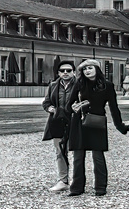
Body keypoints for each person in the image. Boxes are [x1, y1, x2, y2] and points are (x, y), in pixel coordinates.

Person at [67, 59, 129, 197]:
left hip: (97, 122)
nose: (87, 71)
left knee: (98, 157)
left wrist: (120, 126)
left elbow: (114, 108)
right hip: (79, 122)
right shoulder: (79, 84)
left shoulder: (107, 86)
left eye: (90, 68)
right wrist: (74, 107)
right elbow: (69, 105)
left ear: (97, 69)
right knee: (78, 157)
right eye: (84, 69)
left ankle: (100, 187)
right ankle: (77, 187)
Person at [42, 60, 78, 193]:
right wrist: (50, 108)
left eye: (68, 70)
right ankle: (63, 180)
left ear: (73, 72)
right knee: (60, 152)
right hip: (57, 122)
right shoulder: (53, 85)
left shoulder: (79, 85)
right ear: (58, 73)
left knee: (77, 151)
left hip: (74, 122)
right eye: (62, 71)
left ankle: (77, 180)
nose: (65, 73)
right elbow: (46, 102)